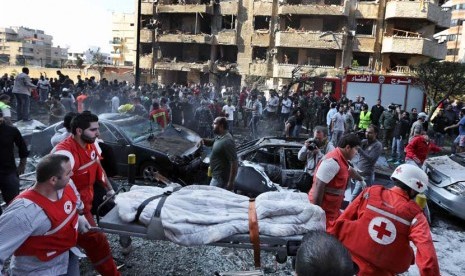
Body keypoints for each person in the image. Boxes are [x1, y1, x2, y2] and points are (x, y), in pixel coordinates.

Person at [330, 164, 440, 275]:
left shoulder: (369, 193)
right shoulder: (416, 215)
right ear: (414, 189)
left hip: (348, 264)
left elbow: (342, 221)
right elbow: (428, 255)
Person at [52, 111, 120, 275]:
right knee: (97, 241)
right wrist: (78, 211)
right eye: (93, 130)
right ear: (79, 131)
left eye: (97, 128)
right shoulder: (64, 154)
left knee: (84, 244)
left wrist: (109, 188)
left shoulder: (93, 144)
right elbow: (57, 186)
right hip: (68, 209)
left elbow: (98, 168)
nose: (98, 133)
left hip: (85, 205)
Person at [0, 154, 89, 276]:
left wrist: (79, 217)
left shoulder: (66, 185)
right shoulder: (24, 212)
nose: (72, 175)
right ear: (53, 180)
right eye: (68, 173)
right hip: (39, 270)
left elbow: (75, 202)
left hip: (67, 258)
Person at [309, 133, 361, 229]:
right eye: (356, 149)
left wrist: (360, 179)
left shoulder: (341, 160)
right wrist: (317, 216)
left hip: (332, 211)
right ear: (348, 147)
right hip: (324, 213)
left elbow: (349, 170)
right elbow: (318, 187)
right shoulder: (333, 162)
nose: (357, 152)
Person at [0, 113, 28, 215]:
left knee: (13, 202)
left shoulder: (11, 131)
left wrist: (22, 164)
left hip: (8, 171)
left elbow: (22, 147)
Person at [199, 117, 238, 190]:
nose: (212, 125)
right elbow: (212, 142)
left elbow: (234, 162)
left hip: (219, 179)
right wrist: (203, 140)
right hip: (216, 175)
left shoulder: (227, 141)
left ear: (221, 125)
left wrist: (230, 182)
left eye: (214, 123)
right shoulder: (220, 136)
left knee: (211, 198)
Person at [297, 126, 334, 193]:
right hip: (308, 177)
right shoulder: (311, 143)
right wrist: (305, 147)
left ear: (325, 137)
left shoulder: (329, 147)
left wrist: (319, 153)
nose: (316, 140)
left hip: (320, 179)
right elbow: (300, 157)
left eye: (319, 138)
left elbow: (331, 163)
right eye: (315, 138)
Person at [351, 125, 383, 199]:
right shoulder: (364, 142)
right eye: (366, 132)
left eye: (370, 133)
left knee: (354, 199)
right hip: (357, 173)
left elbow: (371, 159)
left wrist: (360, 150)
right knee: (359, 198)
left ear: (375, 134)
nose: (367, 134)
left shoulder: (377, 145)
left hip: (365, 176)